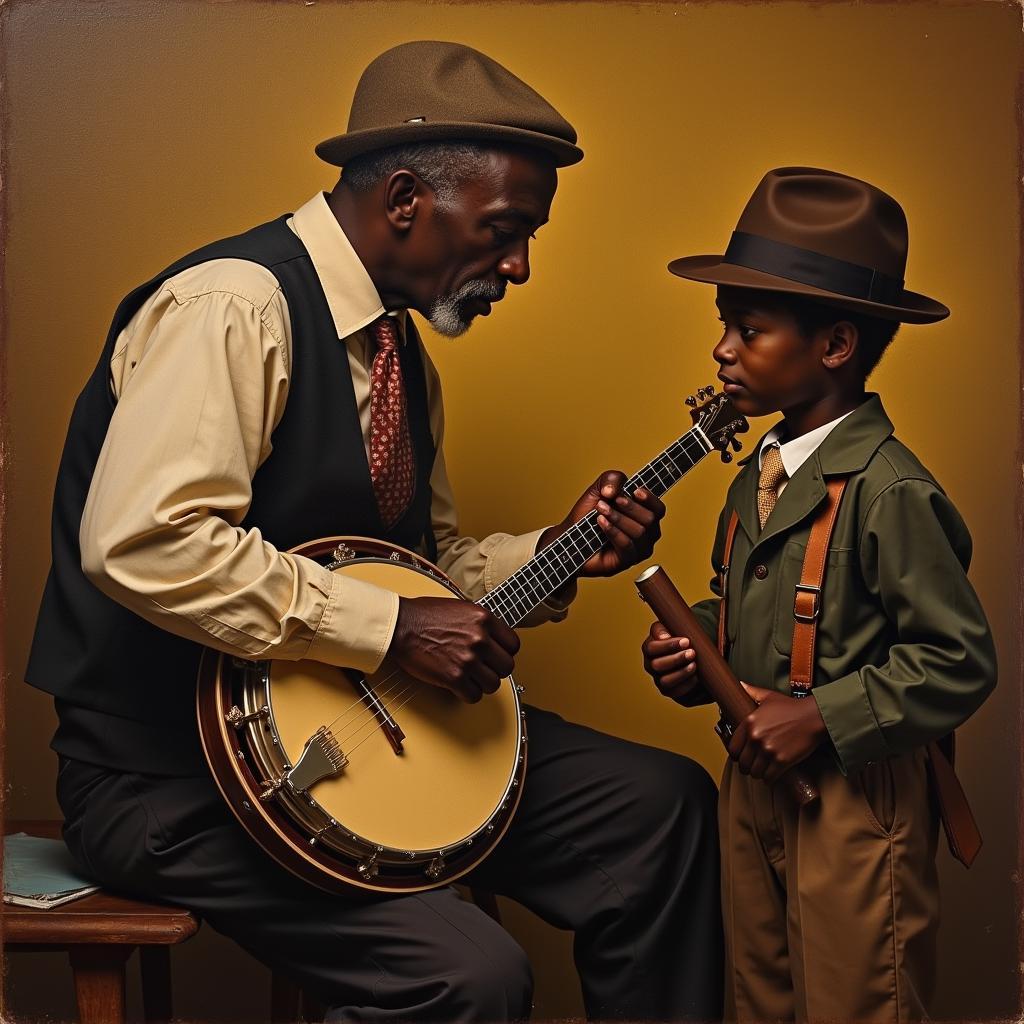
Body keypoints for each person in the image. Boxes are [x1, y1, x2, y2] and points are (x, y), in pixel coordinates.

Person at [26, 41, 723, 1021]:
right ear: (404, 199)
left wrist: (555, 551)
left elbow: (420, 575)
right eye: (504, 229)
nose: (519, 265)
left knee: (659, 805)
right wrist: (391, 633)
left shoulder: (400, 355)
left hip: (366, 730)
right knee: (467, 975)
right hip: (170, 777)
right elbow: (145, 541)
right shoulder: (234, 307)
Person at [641, 167, 996, 1022]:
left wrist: (821, 717)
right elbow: (751, 602)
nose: (722, 349)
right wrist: (698, 649)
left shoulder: (890, 490)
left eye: (748, 329)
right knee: (759, 998)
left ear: (834, 346)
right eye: (725, 326)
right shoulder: (756, 475)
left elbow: (958, 660)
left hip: (854, 801)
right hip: (754, 785)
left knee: (856, 1000)